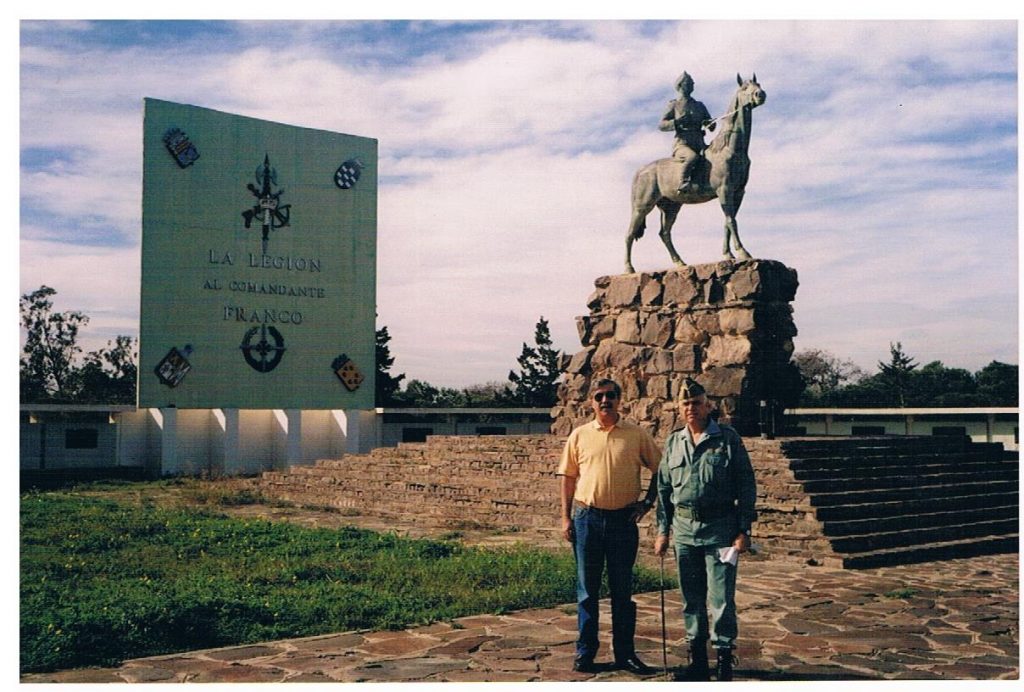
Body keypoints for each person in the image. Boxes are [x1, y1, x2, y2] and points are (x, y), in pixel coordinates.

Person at [654, 379, 756, 682]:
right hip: (684, 532)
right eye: (685, 403)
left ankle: (724, 659)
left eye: (696, 402)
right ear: (679, 406)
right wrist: (662, 531)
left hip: (720, 532)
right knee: (691, 598)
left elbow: (746, 485)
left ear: (707, 405)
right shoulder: (674, 441)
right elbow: (663, 490)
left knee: (721, 598)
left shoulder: (727, 439)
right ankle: (697, 659)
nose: (690, 408)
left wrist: (743, 529)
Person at [558, 378, 662, 675]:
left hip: (621, 523)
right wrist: (566, 518)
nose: (605, 401)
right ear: (591, 401)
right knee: (587, 592)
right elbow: (567, 479)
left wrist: (647, 503)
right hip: (586, 519)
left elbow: (660, 470)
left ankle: (625, 655)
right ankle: (585, 654)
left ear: (620, 399)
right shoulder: (579, 436)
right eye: (599, 396)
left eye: (611, 396)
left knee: (622, 591)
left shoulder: (636, 434)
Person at [659, 72, 716, 194]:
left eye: (692, 84)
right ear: (680, 86)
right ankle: (683, 182)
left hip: (700, 143)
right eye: (688, 83)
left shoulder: (699, 106)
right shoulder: (674, 105)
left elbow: (710, 125)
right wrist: (676, 122)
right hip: (682, 144)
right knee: (692, 157)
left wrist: (710, 124)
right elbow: (662, 125)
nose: (691, 86)